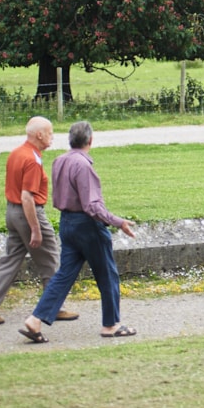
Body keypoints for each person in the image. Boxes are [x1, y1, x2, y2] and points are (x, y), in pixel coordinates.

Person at [19, 122, 136, 343]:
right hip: (87, 225)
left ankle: (35, 320)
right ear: (90, 141)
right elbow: (92, 206)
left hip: (67, 223)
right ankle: (111, 324)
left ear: (71, 140)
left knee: (63, 275)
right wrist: (118, 222)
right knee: (107, 274)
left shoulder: (59, 161)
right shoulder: (83, 166)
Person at [0, 116, 78, 325]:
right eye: (49, 132)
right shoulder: (32, 159)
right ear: (39, 135)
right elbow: (27, 197)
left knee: (10, 261)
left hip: (12, 213)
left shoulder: (16, 153)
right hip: (28, 213)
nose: (52, 137)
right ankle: (53, 307)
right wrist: (36, 229)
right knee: (51, 259)